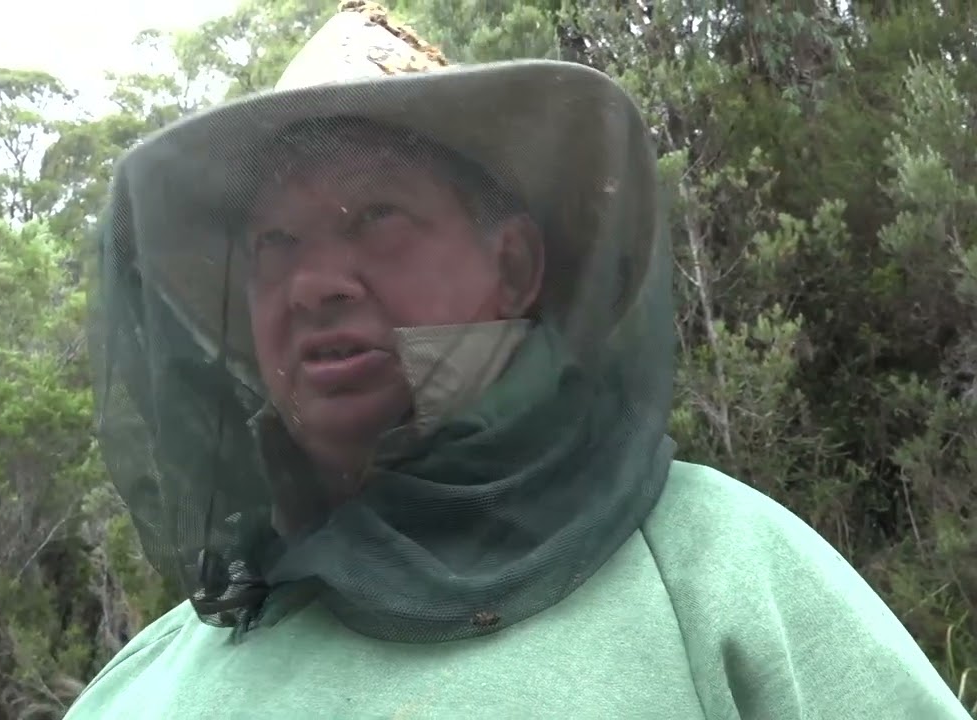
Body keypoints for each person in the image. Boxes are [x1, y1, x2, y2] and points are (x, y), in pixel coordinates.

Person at [70, 2, 970, 718]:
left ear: (513, 266)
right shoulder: (146, 688)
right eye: (273, 242)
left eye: (375, 216)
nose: (313, 284)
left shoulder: (724, 576)